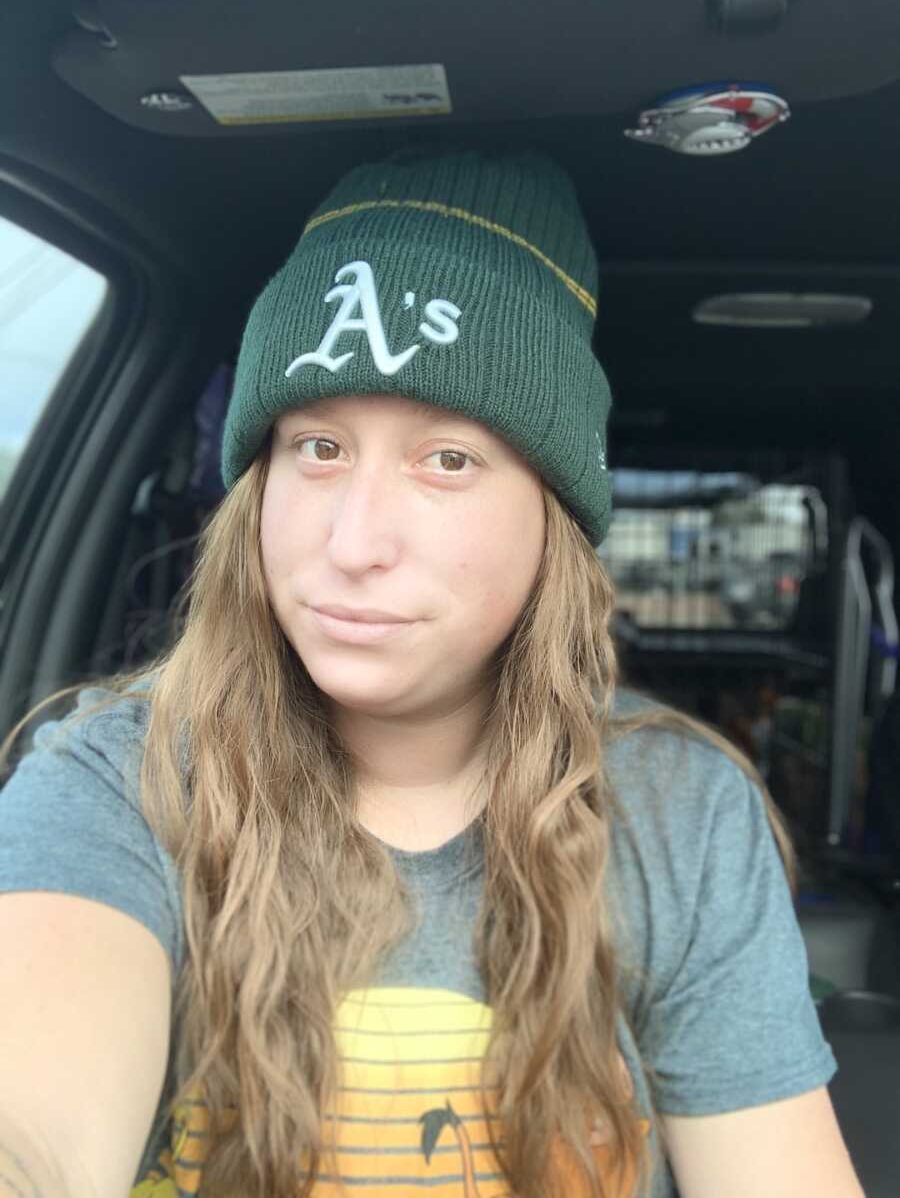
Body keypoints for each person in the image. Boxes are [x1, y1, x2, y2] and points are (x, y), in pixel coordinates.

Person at [0, 144, 861, 1198]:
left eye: (446, 459)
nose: (354, 540)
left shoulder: (679, 815)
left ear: (553, 521)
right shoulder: (112, 781)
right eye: (317, 447)